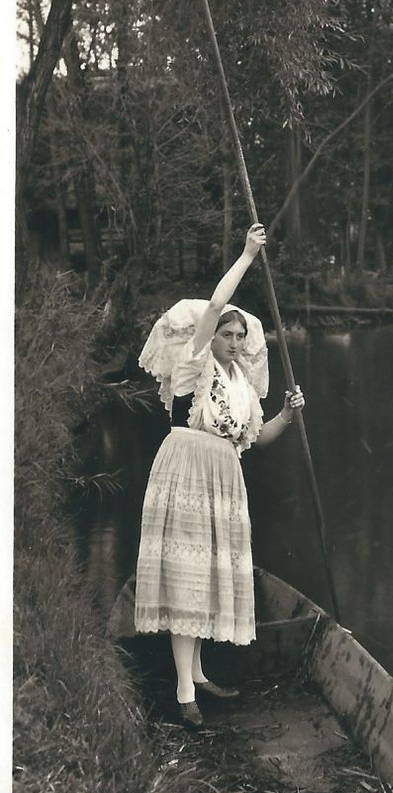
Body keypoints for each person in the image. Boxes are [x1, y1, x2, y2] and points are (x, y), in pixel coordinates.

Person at [134, 223, 304, 728]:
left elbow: (256, 438)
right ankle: (185, 692)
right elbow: (212, 306)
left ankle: (200, 672)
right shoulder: (194, 365)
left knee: (206, 576)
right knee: (187, 575)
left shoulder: (242, 386)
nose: (231, 340)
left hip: (224, 479)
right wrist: (249, 256)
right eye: (225, 334)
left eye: (238, 336)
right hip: (187, 467)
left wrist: (288, 418)